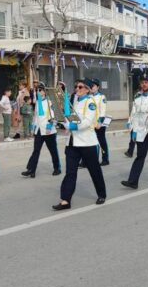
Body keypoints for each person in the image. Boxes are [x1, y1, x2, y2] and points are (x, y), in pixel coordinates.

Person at [52, 79, 107, 210]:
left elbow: (88, 122)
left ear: (87, 89)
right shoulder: (74, 101)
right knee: (70, 172)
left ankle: (101, 194)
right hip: (72, 142)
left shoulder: (90, 102)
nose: (77, 89)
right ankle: (65, 200)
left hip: (87, 142)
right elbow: (68, 116)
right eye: (76, 86)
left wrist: (72, 125)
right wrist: (59, 121)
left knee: (94, 170)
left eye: (80, 87)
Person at [22, 82, 61, 178]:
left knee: (53, 151)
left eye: (40, 90)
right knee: (36, 150)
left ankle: (57, 168)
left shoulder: (50, 102)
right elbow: (36, 117)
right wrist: (32, 128)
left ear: (44, 91)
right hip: (39, 130)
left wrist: (49, 127)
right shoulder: (38, 102)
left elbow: (54, 115)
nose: (38, 92)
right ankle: (31, 170)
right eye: (37, 90)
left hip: (49, 131)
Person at [90, 79, 110, 166]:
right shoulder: (89, 97)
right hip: (90, 123)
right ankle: (91, 160)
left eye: (94, 86)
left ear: (98, 87)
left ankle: (105, 159)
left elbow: (103, 111)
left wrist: (99, 122)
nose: (92, 87)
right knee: (91, 142)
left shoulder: (102, 97)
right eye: (91, 86)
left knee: (101, 141)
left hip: (99, 123)